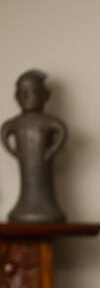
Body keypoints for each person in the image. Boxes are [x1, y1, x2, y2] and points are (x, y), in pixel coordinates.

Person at [1, 69, 67, 222]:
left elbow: (61, 130)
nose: (26, 96)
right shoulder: (15, 123)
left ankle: (44, 206)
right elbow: (5, 132)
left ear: (45, 96)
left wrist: (50, 152)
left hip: (43, 165)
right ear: (16, 97)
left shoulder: (50, 122)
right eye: (22, 92)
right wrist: (17, 154)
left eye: (32, 91)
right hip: (27, 165)